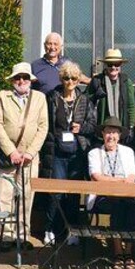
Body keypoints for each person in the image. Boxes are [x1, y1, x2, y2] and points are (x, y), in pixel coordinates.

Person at [0, 62, 49, 250]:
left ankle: (22, 235)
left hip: (29, 157)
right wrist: (11, 151)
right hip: (6, 155)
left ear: (30, 80)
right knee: (4, 195)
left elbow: (43, 127)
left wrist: (31, 152)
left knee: (26, 197)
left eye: (25, 77)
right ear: (12, 80)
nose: (21, 80)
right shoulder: (3, 96)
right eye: (18, 77)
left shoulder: (40, 98)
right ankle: (6, 236)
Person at [40, 61, 97, 246]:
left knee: (73, 195)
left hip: (77, 153)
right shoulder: (52, 97)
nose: (70, 81)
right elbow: (45, 124)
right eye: (66, 78)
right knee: (56, 194)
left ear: (78, 79)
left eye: (73, 78)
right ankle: (51, 229)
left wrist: (81, 128)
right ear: (61, 79)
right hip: (57, 153)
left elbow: (93, 126)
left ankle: (71, 230)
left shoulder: (85, 100)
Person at [87, 116, 135, 269]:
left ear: (119, 135)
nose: (111, 136)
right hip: (102, 196)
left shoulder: (128, 151)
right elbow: (96, 176)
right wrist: (120, 181)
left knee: (131, 207)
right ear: (102, 134)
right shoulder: (94, 153)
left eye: (114, 133)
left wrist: (121, 183)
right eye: (108, 132)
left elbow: (132, 175)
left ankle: (128, 253)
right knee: (116, 207)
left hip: (125, 194)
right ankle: (117, 252)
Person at [85, 48, 135, 148]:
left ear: (121, 65)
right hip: (101, 129)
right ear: (106, 65)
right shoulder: (97, 81)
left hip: (120, 129)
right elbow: (85, 101)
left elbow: (131, 107)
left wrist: (131, 127)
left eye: (117, 64)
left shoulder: (126, 82)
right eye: (110, 64)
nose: (113, 67)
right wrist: (95, 96)